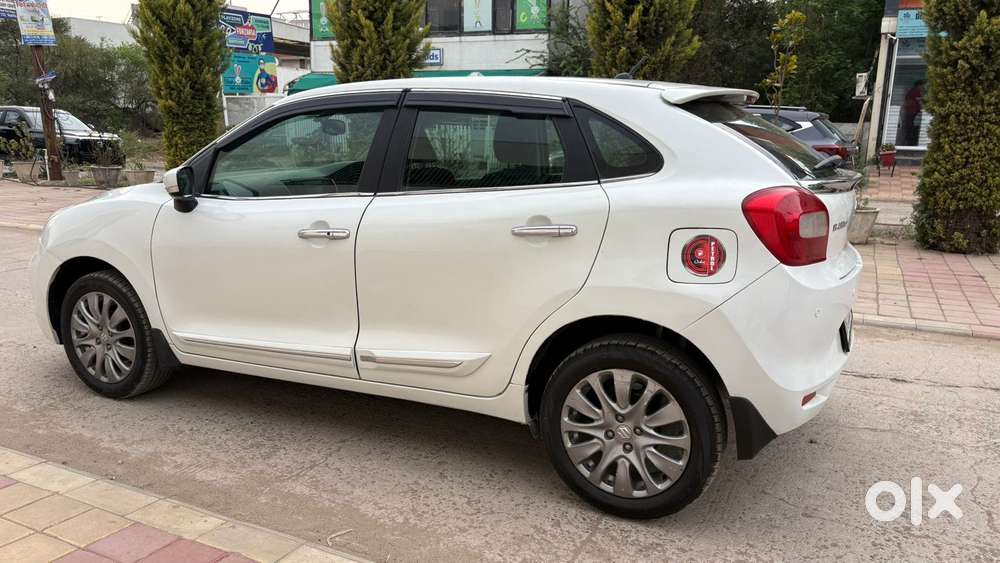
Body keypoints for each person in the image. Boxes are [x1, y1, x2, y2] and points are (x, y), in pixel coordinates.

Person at [899, 79, 925, 146]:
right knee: (909, 128)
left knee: (910, 127)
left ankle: (908, 142)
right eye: (922, 85)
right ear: (919, 85)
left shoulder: (914, 91)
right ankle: (908, 143)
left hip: (911, 112)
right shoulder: (915, 91)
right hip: (910, 112)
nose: (923, 87)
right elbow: (920, 100)